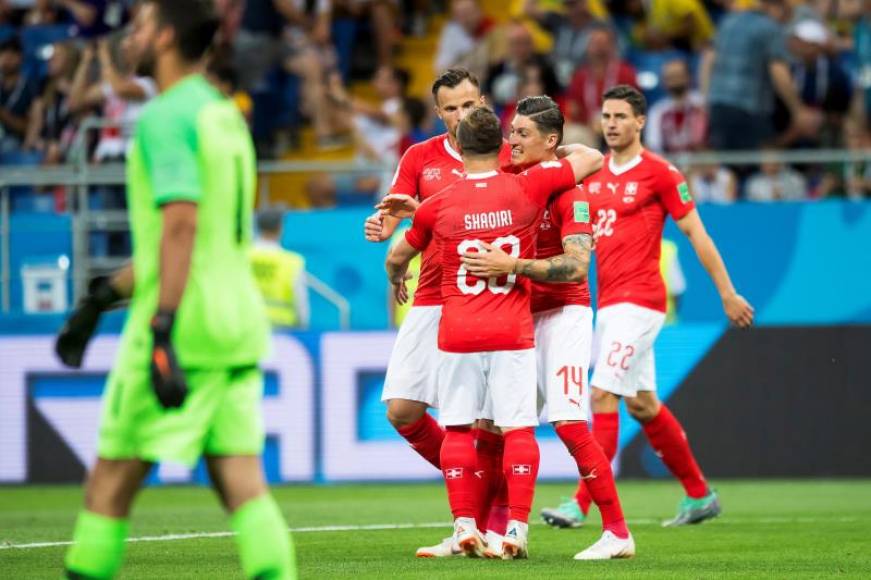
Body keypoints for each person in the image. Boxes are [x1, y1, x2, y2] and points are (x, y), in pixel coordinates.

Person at [54, 2, 296, 578]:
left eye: (137, 26)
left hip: (181, 322)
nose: (128, 38)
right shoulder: (223, 115)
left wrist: (161, 324)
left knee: (109, 483)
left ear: (163, 37)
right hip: (235, 320)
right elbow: (200, 237)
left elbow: (181, 225)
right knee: (242, 480)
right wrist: (99, 298)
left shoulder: (166, 117)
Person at [383, 106, 603, 559]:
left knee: (460, 429)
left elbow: (397, 253)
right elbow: (588, 159)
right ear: (499, 145)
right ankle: (516, 532)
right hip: (512, 327)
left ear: (458, 148)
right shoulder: (527, 186)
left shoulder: (440, 202)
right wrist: (553, 148)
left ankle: (465, 525)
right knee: (518, 429)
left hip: (458, 330)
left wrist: (396, 273)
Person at [544, 85, 754, 528]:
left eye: (621, 116)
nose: (612, 124)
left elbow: (698, 234)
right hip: (610, 304)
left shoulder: (660, 173)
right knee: (641, 404)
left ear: (640, 121)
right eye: (606, 116)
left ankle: (581, 505)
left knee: (601, 394)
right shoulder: (593, 174)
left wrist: (727, 293)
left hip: (641, 303)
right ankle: (700, 495)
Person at [458, 95, 635, 560]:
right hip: (518, 315)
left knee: (570, 421)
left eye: (521, 134)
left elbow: (577, 268)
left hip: (564, 317)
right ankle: (495, 532)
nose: (509, 140)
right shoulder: (511, 179)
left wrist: (513, 264)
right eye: (510, 131)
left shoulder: (569, 195)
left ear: (550, 141)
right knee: (495, 424)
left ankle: (617, 532)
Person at [362, 68, 512, 557]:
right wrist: (383, 221)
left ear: (483, 103)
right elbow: (392, 214)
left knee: (485, 423)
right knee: (402, 411)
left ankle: (476, 523)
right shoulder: (419, 156)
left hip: (488, 296)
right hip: (430, 295)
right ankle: (479, 495)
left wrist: (419, 208)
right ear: (438, 112)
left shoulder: (506, 153)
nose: (461, 115)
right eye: (451, 108)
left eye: (469, 105)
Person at [701, 0, 820, 151]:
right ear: (775, 7)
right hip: (749, 110)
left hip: (718, 107)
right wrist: (798, 109)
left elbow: (708, 59)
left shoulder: (729, 21)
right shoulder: (769, 28)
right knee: (753, 164)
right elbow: (777, 70)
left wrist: (707, 98)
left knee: (727, 164)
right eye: (786, 14)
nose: (785, 21)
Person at [250, 207, 310, 329]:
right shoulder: (292, 262)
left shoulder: (242, 257)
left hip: (248, 325)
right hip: (282, 329)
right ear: (280, 228)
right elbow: (300, 300)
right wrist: (303, 326)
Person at [644, 58, 707, 155]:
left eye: (679, 76)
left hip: (702, 163)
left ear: (689, 77)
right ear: (663, 81)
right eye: (671, 77)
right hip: (669, 165)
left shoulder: (703, 105)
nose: (675, 81)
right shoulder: (657, 111)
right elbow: (653, 146)